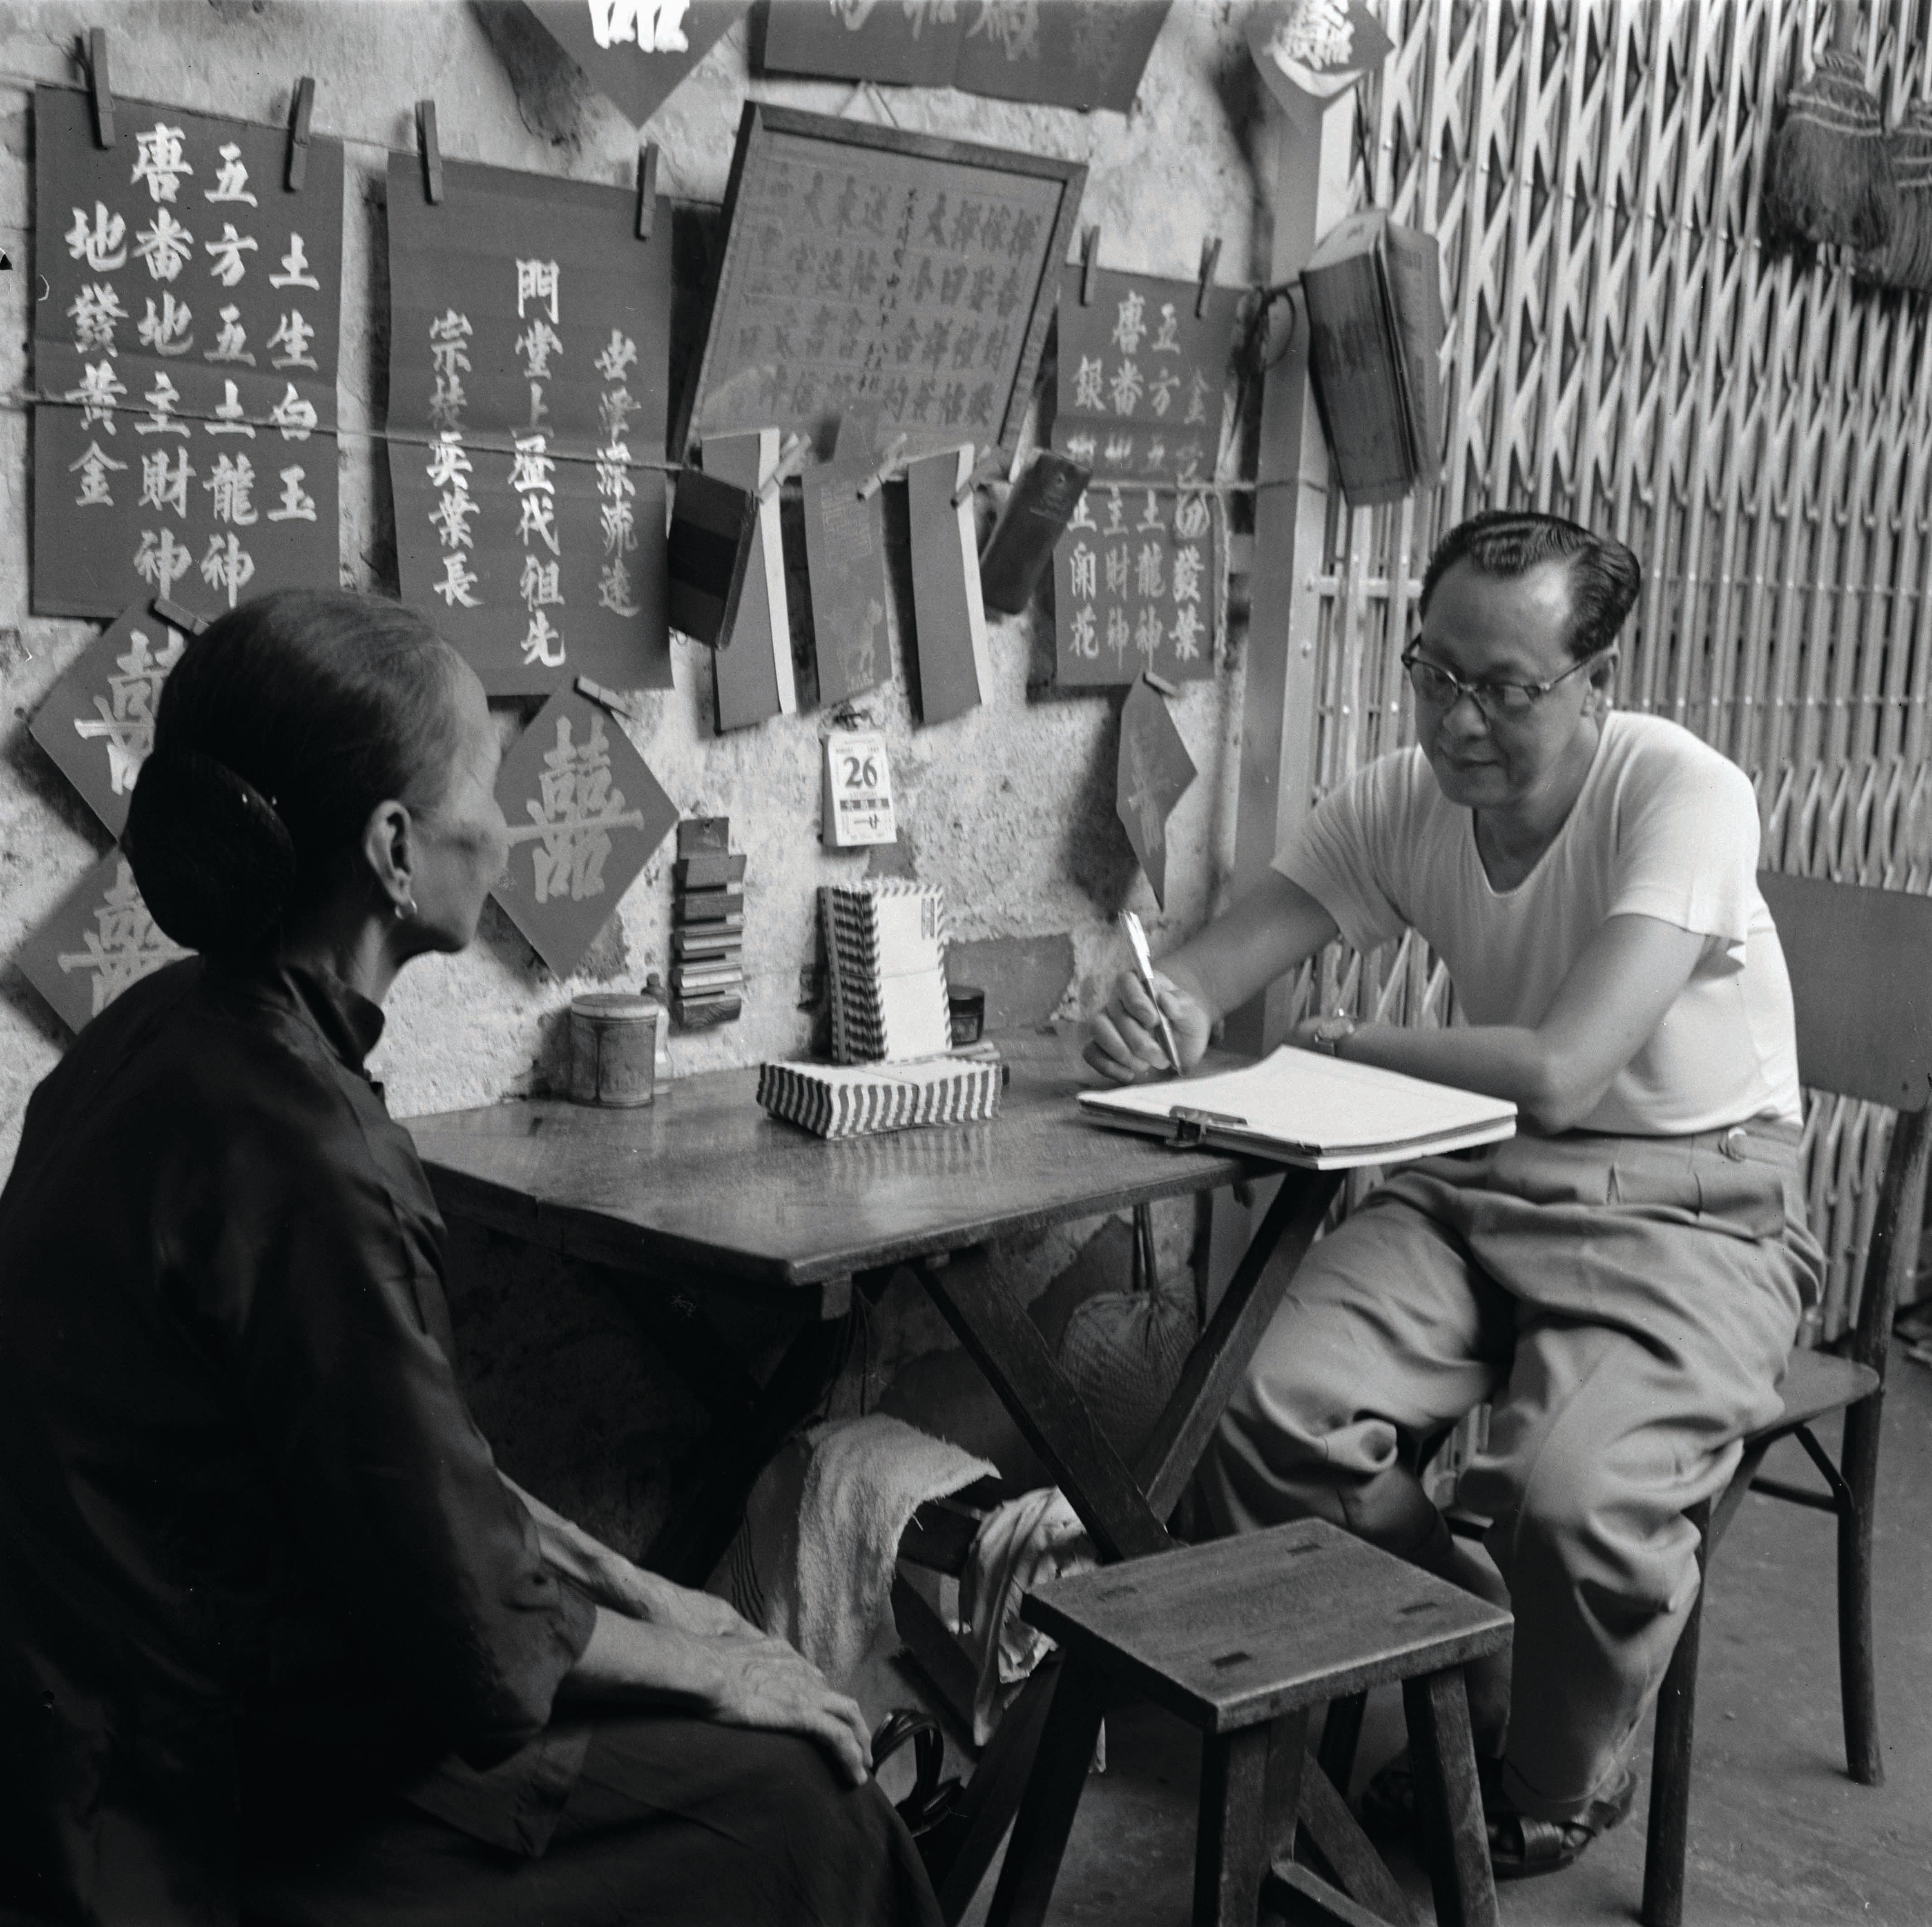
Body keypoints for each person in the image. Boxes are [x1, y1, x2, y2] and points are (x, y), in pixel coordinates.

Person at [0, 590, 942, 1927]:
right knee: (812, 1807)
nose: (503, 826)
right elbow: (472, 1629)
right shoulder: (312, 1159)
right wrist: (713, 1666)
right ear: (395, 849)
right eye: (485, 783)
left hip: (99, 1722)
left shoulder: (151, 1035)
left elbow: (415, 1476)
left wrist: (658, 1595)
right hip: (190, 1805)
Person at [1087, 511, 1824, 1880]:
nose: (1457, 721)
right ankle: (1471, 1637)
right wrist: (1153, 1006)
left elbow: (1561, 1072)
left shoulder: (1683, 793)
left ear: (1596, 682)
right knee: (1255, 1408)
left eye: (1506, 689)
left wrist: (1339, 1045)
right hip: (1484, 1181)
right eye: (1435, 674)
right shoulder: (1404, 798)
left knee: (1570, 1498)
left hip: (1695, 1205)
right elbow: (1208, 970)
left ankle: (1552, 1771)